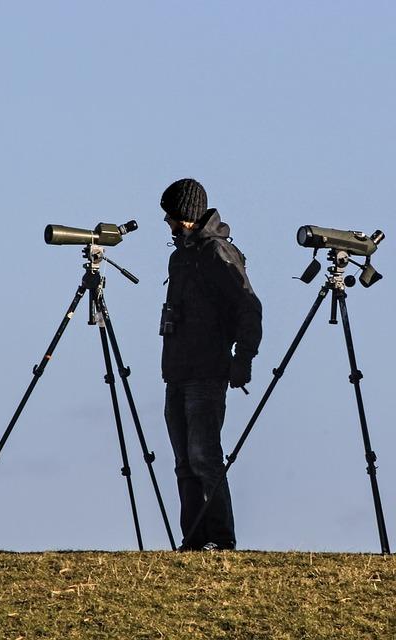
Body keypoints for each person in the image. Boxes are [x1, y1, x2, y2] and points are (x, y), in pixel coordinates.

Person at [159, 178, 262, 551]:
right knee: (184, 461)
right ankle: (194, 540)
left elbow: (248, 307)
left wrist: (243, 358)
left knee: (204, 456)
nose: (167, 224)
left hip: (206, 373)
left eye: (170, 216)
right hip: (177, 372)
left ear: (184, 216)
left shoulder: (219, 253)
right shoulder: (180, 256)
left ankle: (220, 538)